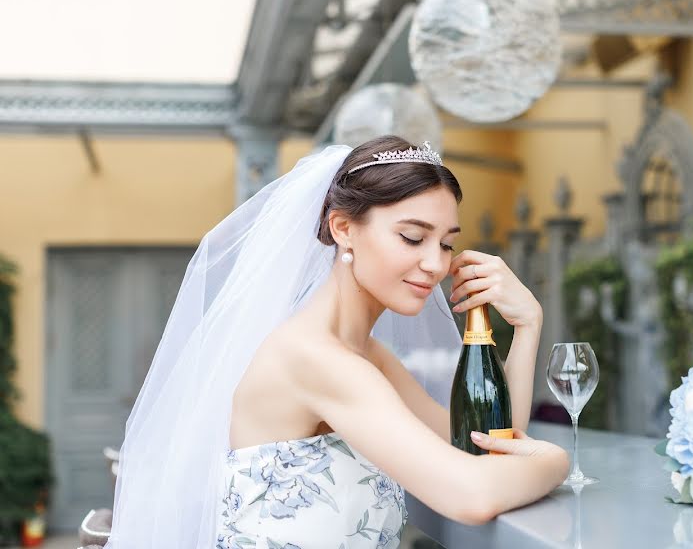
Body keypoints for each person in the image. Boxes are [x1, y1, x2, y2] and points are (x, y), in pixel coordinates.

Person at [107, 135, 569, 549]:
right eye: (412, 237)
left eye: (446, 244)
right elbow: (473, 494)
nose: (435, 264)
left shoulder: (364, 354)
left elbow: (482, 443)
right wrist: (557, 461)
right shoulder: (314, 358)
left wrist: (527, 325)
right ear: (343, 228)